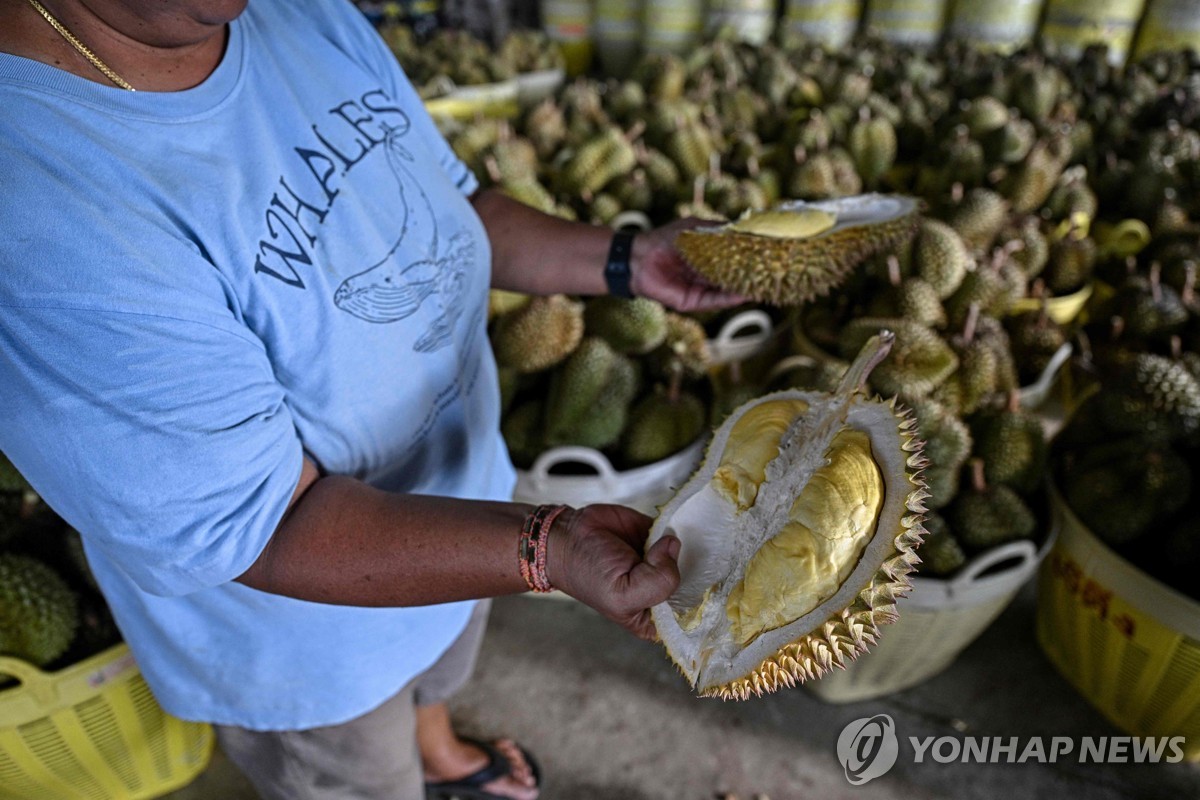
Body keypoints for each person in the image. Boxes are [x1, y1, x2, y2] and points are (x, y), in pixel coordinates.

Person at [0, 1, 740, 798]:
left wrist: (631, 260)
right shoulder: (40, 209)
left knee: (437, 668)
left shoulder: (296, 14)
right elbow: (269, 525)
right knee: (360, 773)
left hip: (471, 508)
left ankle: (437, 742)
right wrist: (547, 550)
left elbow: (457, 209)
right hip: (311, 645)